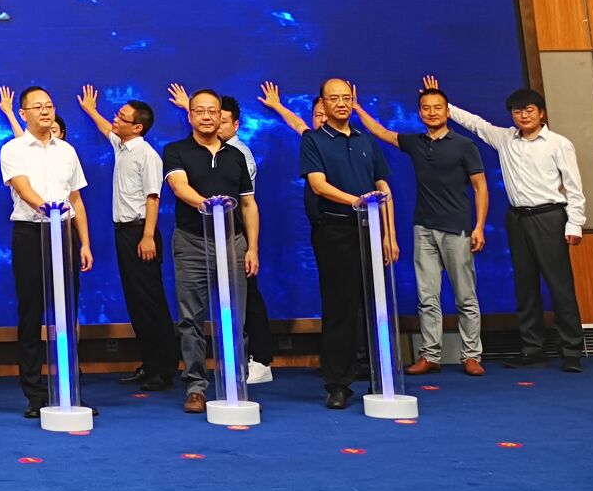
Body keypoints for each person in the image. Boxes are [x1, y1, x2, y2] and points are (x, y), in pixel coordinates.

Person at [425, 75, 586, 372]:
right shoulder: (505, 138)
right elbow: (475, 124)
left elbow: (574, 188)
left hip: (550, 217)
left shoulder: (559, 144)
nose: (523, 116)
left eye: (529, 110)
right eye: (517, 111)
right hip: (517, 218)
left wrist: (574, 224)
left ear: (541, 114)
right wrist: (443, 103)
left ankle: (572, 351)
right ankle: (533, 350)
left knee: (559, 286)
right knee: (524, 286)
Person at [352, 85, 488, 376]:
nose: (432, 112)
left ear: (447, 111)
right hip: (423, 228)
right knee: (427, 297)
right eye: (426, 108)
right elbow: (382, 133)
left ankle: (471, 355)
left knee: (465, 296)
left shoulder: (464, 145)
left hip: (458, 228)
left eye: (437, 107)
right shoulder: (415, 142)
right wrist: (357, 108)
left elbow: (480, 187)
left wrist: (479, 226)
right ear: (420, 113)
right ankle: (430, 355)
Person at [168, 83, 275, 384]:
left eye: (212, 112)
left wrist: (252, 248)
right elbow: (179, 186)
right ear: (190, 116)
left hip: (232, 242)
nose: (206, 117)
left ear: (221, 117)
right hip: (191, 242)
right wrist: (209, 206)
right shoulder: (176, 151)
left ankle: (234, 383)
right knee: (191, 318)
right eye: (200, 111)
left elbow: (249, 204)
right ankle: (196, 384)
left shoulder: (236, 155)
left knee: (235, 316)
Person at [299, 79, 396, 410]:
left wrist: (388, 234)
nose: (341, 103)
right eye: (334, 98)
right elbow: (318, 185)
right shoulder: (313, 140)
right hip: (335, 231)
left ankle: (381, 375)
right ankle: (338, 383)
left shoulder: (366, 139)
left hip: (370, 229)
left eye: (346, 98)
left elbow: (383, 186)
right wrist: (356, 201)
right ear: (323, 104)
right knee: (340, 307)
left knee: (376, 305)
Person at [77, 85, 179, 391]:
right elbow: (105, 128)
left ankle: (164, 369)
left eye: (122, 117)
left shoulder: (147, 155)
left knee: (151, 301)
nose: (115, 119)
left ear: (137, 127)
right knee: (136, 301)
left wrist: (148, 236)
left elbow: (153, 198)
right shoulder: (122, 147)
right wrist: (90, 109)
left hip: (141, 232)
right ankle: (149, 364)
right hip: (123, 232)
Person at [0, 86, 94, 417]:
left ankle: (70, 388)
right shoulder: (12, 149)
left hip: (64, 234)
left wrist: (84, 242)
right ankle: (35, 394)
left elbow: (76, 199)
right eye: (37, 107)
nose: (45, 111)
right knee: (31, 313)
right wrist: (51, 211)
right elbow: (24, 189)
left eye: (49, 106)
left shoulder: (67, 150)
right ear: (23, 113)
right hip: (31, 234)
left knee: (67, 312)